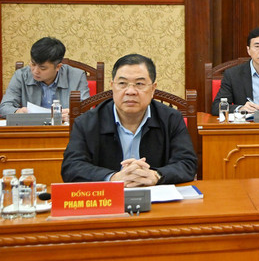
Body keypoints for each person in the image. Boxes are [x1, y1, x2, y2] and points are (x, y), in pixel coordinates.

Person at [61, 54, 197, 186]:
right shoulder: (87, 122)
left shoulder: (171, 118)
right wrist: (113, 178)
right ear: (112, 86)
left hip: (157, 198)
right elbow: (71, 167)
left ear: (153, 89)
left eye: (139, 84)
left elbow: (187, 163)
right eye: (122, 83)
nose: (130, 91)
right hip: (108, 201)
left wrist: (156, 176)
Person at [0, 37, 89, 121]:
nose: (35, 71)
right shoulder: (21, 75)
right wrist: (18, 112)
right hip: (33, 130)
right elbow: (4, 107)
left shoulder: (77, 76)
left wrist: (73, 113)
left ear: (58, 67)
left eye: (42, 68)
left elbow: (87, 109)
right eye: (33, 64)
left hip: (63, 130)